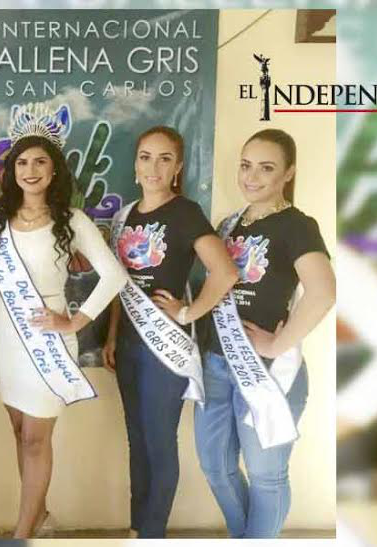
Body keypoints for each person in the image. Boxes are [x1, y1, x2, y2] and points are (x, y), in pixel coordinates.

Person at [0, 128, 127, 538]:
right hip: (7, 343)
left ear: (54, 170)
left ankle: (21, 533)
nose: (31, 170)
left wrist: (75, 321)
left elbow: (114, 276)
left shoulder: (71, 220)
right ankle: (40, 517)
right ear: (12, 172)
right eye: (22, 163)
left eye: (40, 162)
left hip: (49, 342)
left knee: (36, 442)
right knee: (19, 433)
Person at [193, 128, 335, 538]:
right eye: (246, 165)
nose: (252, 177)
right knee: (215, 467)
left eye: (266, 168)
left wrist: (277, 342)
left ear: (287, 173)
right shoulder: (227, 227)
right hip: (215, 363)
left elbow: (323, 292)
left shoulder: (297, 225)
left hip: (268, 372)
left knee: (266, 476)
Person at [102, 126, 239, 538]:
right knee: (136, 440)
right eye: (146, 156)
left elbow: (226, 272)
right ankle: (137, 528)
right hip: (127, 341)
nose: (153, 167)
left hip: (164, 349)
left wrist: (188, 311)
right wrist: (110, 336)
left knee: (159, 443)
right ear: (136, 163)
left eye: (165, 159)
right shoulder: (125, 216)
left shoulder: (185, 213)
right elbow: (117, 283)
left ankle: (152, 533)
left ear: (178, 166)